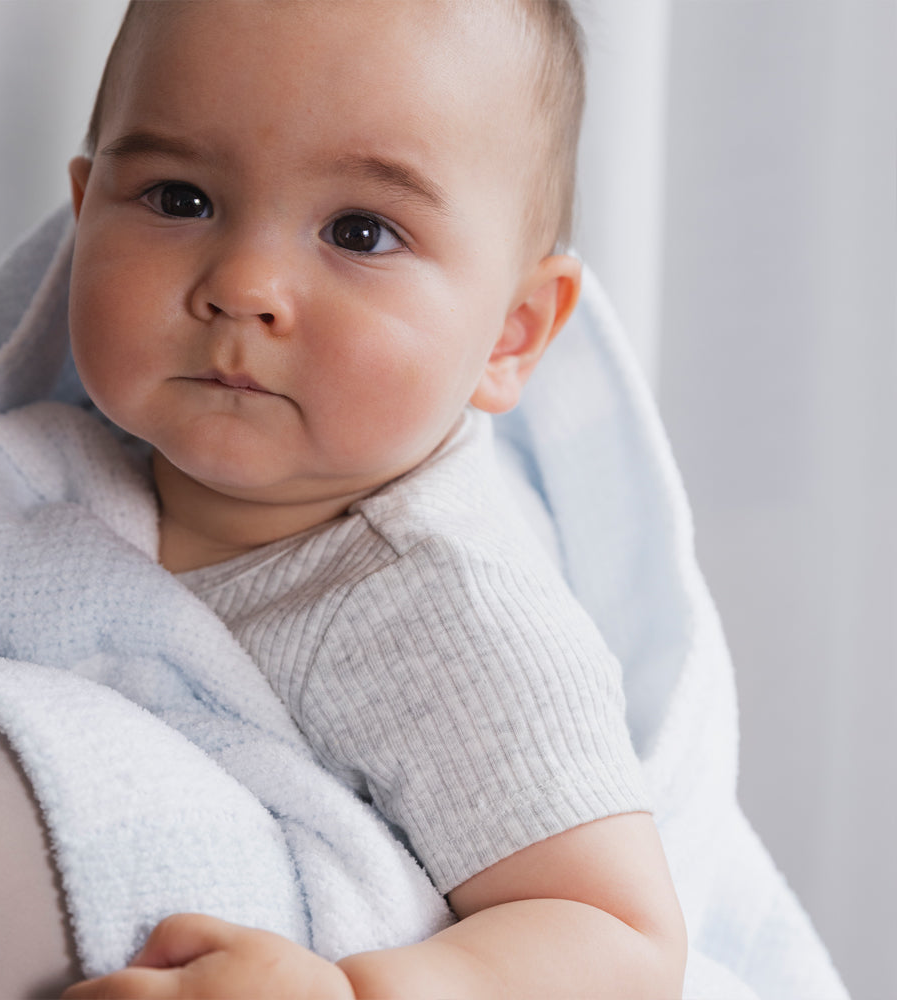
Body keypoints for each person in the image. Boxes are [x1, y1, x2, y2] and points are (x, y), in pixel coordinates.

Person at [53, 1, 686, 997]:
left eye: (361, 230)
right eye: (179, 198)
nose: (244, 284)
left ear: (510, 333)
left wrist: (349, 992)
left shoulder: (447, 612)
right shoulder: (19, 487)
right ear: (85, 212)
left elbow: (617, 936)